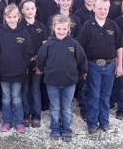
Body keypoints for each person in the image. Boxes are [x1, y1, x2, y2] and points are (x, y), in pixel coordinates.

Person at [78, 0, 123, 134]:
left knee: (105, 95)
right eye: (99, 8)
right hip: (92, 66)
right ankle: (92, 123)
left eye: (105, 8)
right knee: (93, 95)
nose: (102, 11)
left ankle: (104, 122)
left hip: (110, 66)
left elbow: (120, 47)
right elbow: (81, 49)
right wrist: (83, 68)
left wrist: (120, 65)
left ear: (109, 9)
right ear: (94, 8)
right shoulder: (87, 26)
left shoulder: (113, 25)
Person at [37, 14, 88, 142]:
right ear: (53, 28)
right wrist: (44, 70)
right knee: (55, 107)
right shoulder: (48, 44)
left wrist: (83, 72)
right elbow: (40, 60)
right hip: (52, 82)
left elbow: (82, 59)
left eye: (64, 29)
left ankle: (66, 130)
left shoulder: (73, 44)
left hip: (69, 82)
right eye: (59, 29)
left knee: (66, 107)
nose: (61, 31)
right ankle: (55, 129)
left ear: (69, 29)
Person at [0, 4, 34, 133]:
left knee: (16, 97)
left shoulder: (24, 33)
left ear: (19, 17)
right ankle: (7, 121)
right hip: (4, 71)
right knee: (6, 97)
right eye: (9, 17)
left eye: (14, 16)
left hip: (18, 72)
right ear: (5, 17)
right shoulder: (0, 34)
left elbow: (29, 52)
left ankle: (19, 122)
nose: (12, 19)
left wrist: (24, 66)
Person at [19, 0, 47, 128]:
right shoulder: (19, 27)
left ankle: (36, 116)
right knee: (24, 90)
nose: (30, 11)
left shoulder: (41, 27)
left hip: (37, 64)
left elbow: (45, 48)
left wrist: (40, 65)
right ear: (22, 11)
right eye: (27, 8)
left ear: (36, 10)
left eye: (32, 8)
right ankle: (25, 115)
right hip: (23, 64)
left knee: (35, 90)